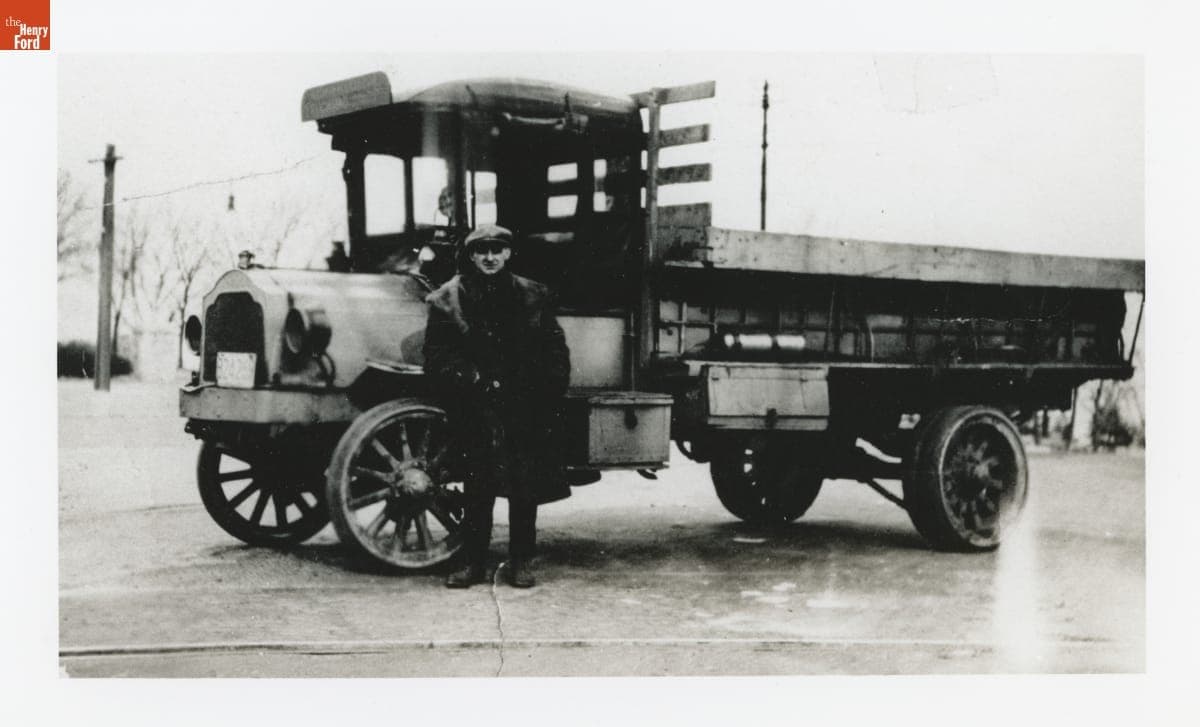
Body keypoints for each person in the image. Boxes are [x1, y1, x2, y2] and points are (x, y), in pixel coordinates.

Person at [422, 224, 571, 588]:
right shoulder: (449, 299)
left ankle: (521, 561)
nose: (489, 257)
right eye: (481, 250)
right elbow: (437, 355)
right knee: (478, 486)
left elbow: (555, 352)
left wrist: (539, 390)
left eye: (497, 249)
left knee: (524, 487)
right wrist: (472, 380)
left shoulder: (533, 295)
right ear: (471, 256)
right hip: (475, 404)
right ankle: (472, 562)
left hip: (523, 403)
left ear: (508, 254)